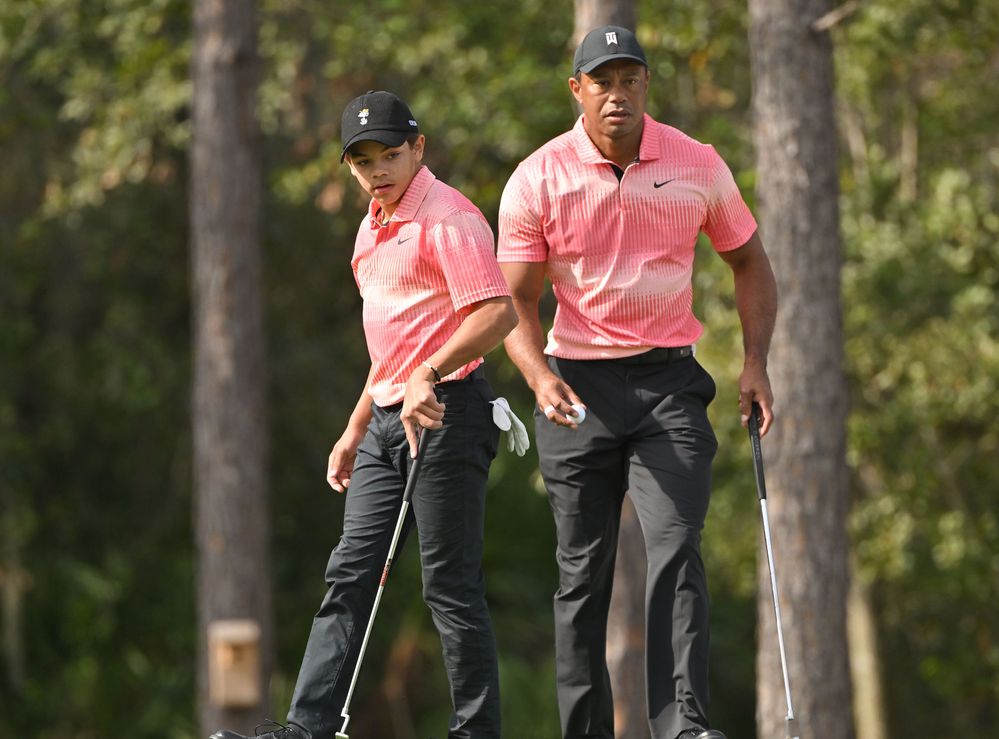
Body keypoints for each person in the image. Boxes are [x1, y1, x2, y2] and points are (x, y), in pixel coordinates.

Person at [496, 26, 778, 739]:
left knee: (677, 546)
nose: (616, 93)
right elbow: (513, 303)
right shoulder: (539, 176)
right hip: (575, 388)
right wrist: (536, 376)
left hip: (668, 387)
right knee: (581, 577)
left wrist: (753, 362)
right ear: (577, 90)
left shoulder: (697, 163)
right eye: (602, 81)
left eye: (629, 79)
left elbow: (750, 262)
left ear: (646, 85)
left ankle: (683, 724)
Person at [212, 90, 519, 739]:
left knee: (449, 585)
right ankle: (308, 727)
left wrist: (428, 374)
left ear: (418, 150)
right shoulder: (370, 228)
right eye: (362, 161)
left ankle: (477, 730)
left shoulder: (449, 218)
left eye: (390, 154)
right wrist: (355, 427)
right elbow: (392, 348)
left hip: (449, 409)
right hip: (386, 419)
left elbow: (497, 313)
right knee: (350, 571)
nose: (377, 170)